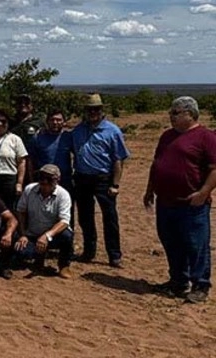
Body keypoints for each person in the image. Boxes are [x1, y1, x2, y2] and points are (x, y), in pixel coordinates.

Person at [143, 96, 216, 303]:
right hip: (165, 202)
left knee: (196, 245)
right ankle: (178, 281)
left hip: (191, 205)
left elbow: (214, 169)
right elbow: (156, 164)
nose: (171, 117)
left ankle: (200, 285)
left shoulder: (206, 137)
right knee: (171, 242)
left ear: (190, 114)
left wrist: (203, 193)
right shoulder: (167, 136)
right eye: (170, 113)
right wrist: (150, 190)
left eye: (175, 113)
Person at [70, 93, 129, 268]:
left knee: (110, 217)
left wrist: (115, 184)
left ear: (102, 110)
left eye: (96, 109)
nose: (92, 112)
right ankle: (89, 251)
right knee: (85, 217)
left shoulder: (113, 131)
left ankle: (114, 255)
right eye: (89, 109)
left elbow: (118, 160)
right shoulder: (78, 131)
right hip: (81, 178)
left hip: (104, 179)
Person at [14, 164, 74, 278]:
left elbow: (64, 221)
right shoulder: (29, 189)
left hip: (52, 236)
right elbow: (20, 212)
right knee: (22, 252)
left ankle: (64, 265)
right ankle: (38, 258)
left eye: (49, 179)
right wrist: (22, 234)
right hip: (32, 234)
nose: (44, 181)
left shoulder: (63, 195)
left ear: (57, 180)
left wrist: (47, 236)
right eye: (41, 177)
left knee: (67, 235)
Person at [28, 110, 73, 192]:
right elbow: (31, 161)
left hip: (65, 181)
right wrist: (32, 181)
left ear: (64, 121)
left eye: (58, 120)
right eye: (52, 120)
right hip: (44, 181)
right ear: (47, 121)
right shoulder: (38, 137)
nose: (55, 122)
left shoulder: (68, 137)